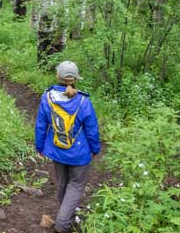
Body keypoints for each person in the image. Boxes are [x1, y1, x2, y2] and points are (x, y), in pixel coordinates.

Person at [34, 61, 101, 233]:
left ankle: (66, 217)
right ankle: (63, 223)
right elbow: (92, 129)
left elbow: (41, 125)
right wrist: (95, 149)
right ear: (75, 79)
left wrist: (39, 146)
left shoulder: (47, 97)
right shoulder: (83, 101)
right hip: (80, 153)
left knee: (63, 183)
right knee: (77, 185)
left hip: (57, 150)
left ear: (58, 76)